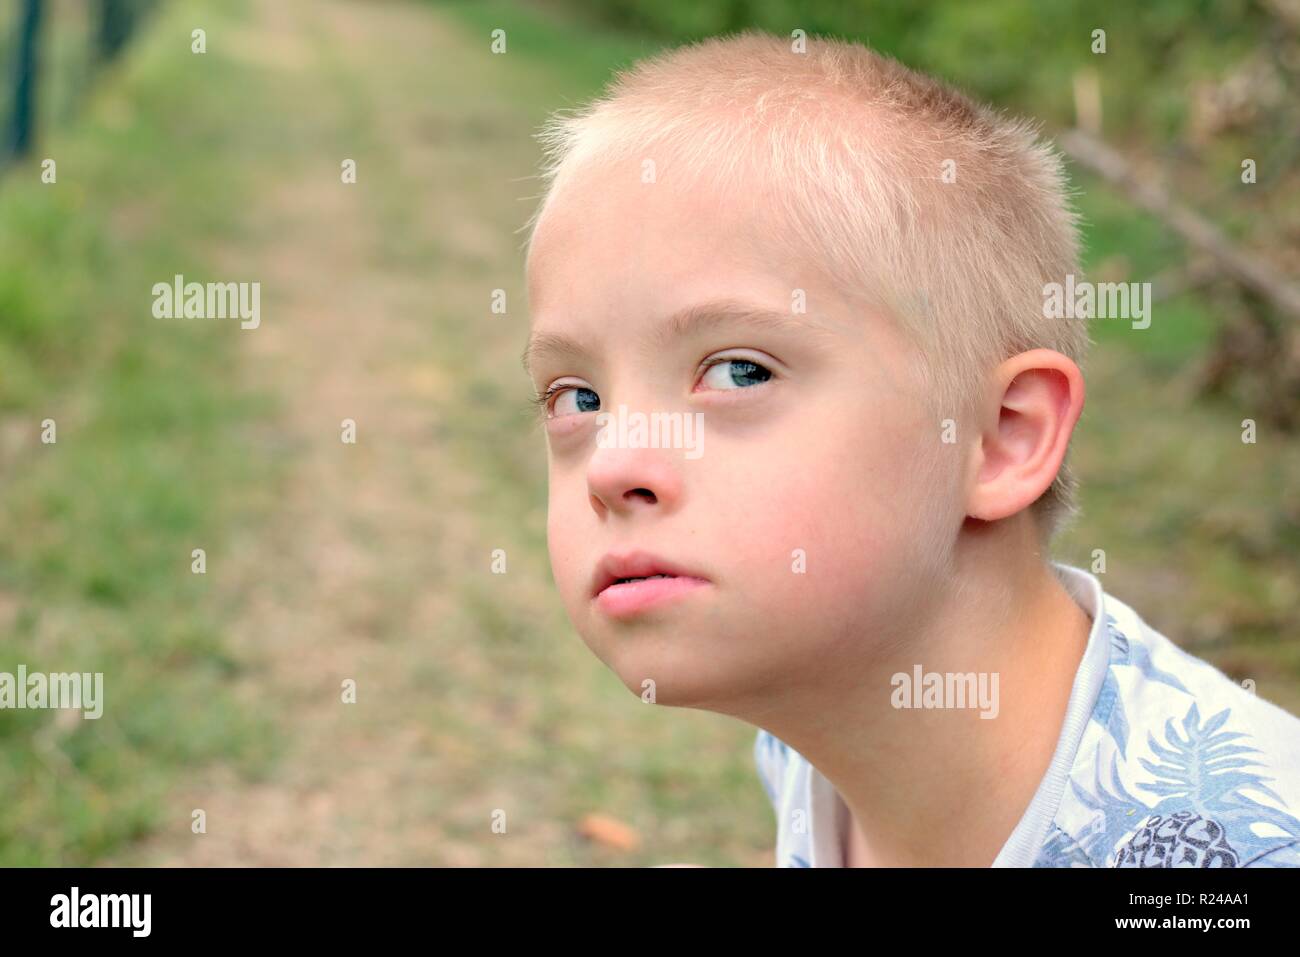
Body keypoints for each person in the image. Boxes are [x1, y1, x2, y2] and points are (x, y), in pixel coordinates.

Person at [519, 30, 1300, 867]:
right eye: (579, 399)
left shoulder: (1231, 855)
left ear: (1001, 437)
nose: (611, 465)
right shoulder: (812, 731)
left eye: (739, 371)